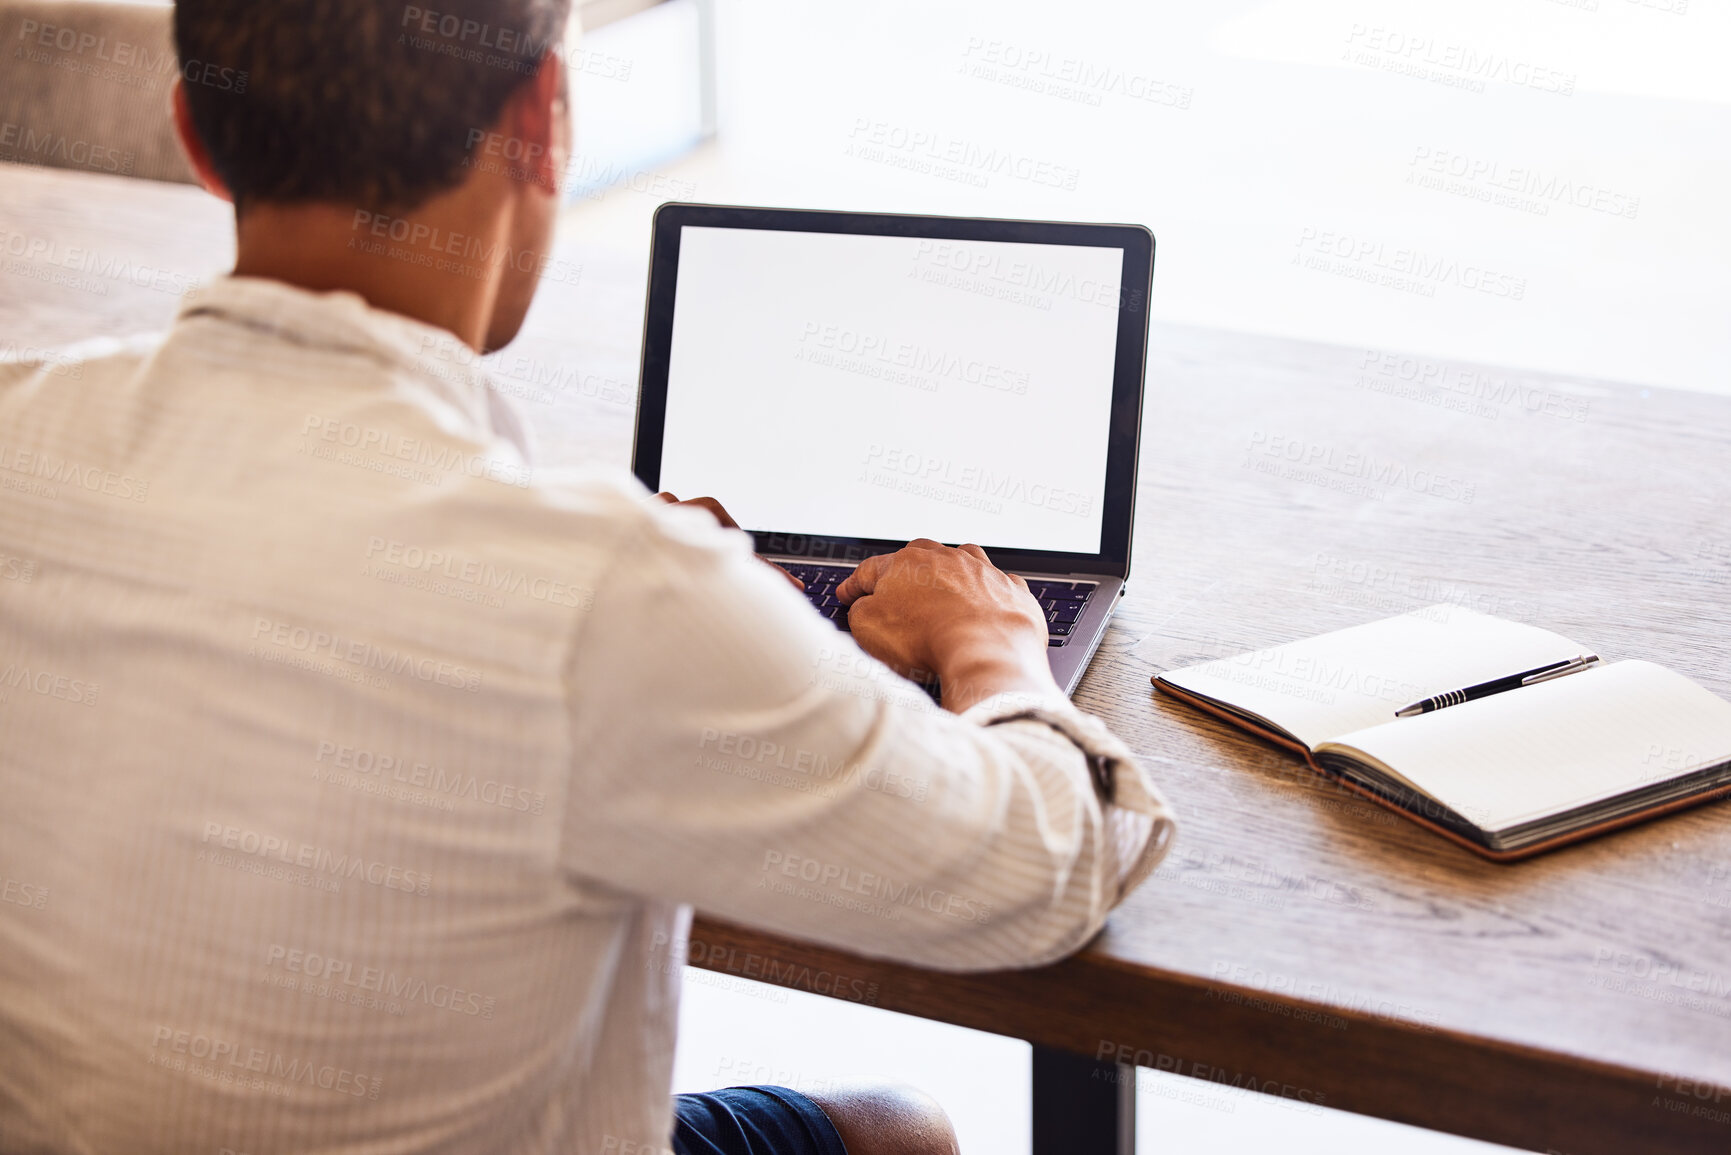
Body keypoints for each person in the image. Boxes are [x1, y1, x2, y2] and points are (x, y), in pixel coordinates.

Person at [0, 2, 1176, 1152]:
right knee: (908, 1131)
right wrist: (990, 639)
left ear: (195, 134)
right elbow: (1055, 864)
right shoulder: (606, 591)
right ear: (546, 117)